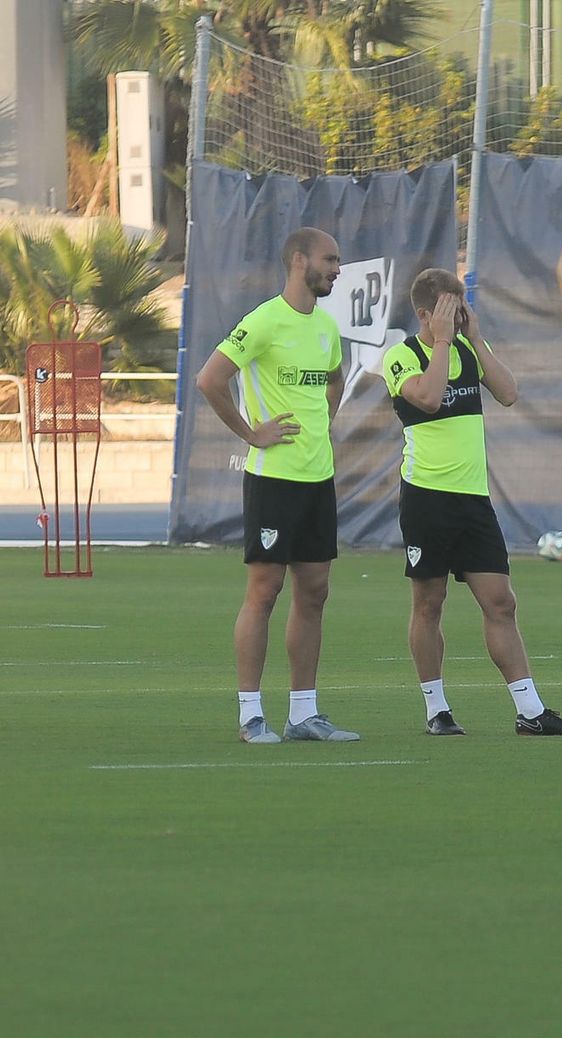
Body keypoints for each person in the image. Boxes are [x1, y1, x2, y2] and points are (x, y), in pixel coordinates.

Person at [385, 268, 562, 737]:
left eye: (461, 307)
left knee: (501, 602)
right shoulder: (401, 357)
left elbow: (510, 393)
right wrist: (440, 341)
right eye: (447, 309)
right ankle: (436, 709)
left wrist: (475, 340)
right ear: (424, 314)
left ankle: (530, 712)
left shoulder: (466, 350)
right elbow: (431, 398)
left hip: (474, 501)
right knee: (429, 602)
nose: (457, 316)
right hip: (427, 500)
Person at [195, 228, 360, 744]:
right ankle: (250, 715)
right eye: (330, 259)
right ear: (298, 260)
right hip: (274, 482)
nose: (337, 268)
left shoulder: (327, 328)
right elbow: (210, 379)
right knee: (264, 592)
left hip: (318, 479)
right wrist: (250, 433)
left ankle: (303, 714)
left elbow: (335, 378)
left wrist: (323, 424)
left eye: (338, 261)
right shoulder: (264, 321)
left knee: (315, 592)